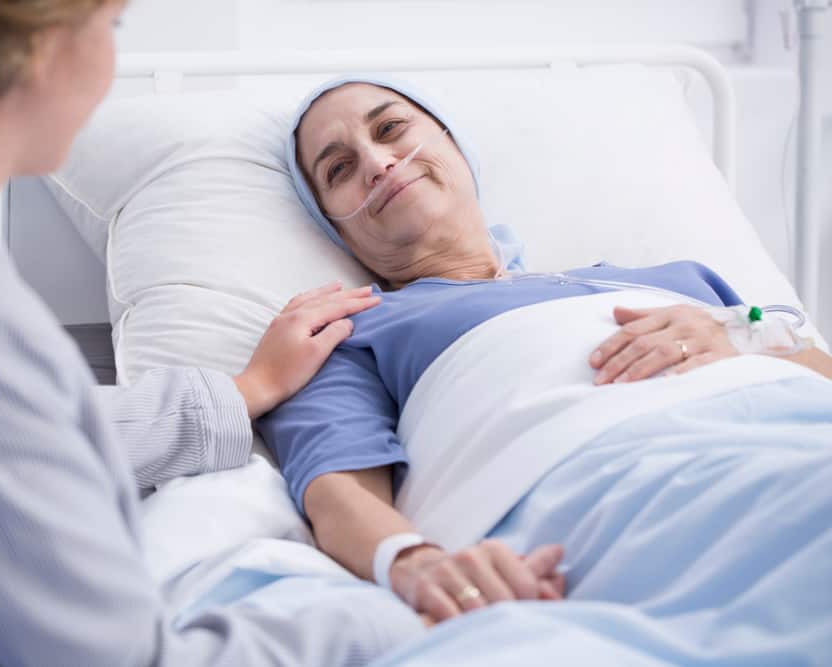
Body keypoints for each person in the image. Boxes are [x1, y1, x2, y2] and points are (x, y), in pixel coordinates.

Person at [0, 4, 427, 665]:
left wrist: (241, 389)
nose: (382, 167)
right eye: (112, 27)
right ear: (39, 49)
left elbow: (19, 431)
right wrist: (393, 620)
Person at [257, 76, 832, 660]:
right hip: (630, 485)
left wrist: (743, 333)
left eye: (390, 130)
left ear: (455, 146)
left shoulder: (680, 280)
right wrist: (416, 563)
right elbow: (334, 488)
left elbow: (818, 367)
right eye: (339, 170)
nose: (378, 164)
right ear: (337, 228)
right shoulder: (349, 332)